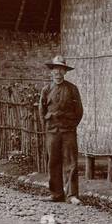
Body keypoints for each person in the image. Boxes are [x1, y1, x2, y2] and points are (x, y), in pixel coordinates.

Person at [38, 56, 84, 204]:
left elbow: (79, 111)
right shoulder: (46, 90)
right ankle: (56, 193)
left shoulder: (72, 89)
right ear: (51, 72)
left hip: (68, 131)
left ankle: (72, 195)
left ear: (65, 71)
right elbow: (41, 111)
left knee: (71, 162)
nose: (58, 72)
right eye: (55, 69)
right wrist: (47, 125)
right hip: (52, 131)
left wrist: (71, 125)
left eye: (61, 69)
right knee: (53, 161)